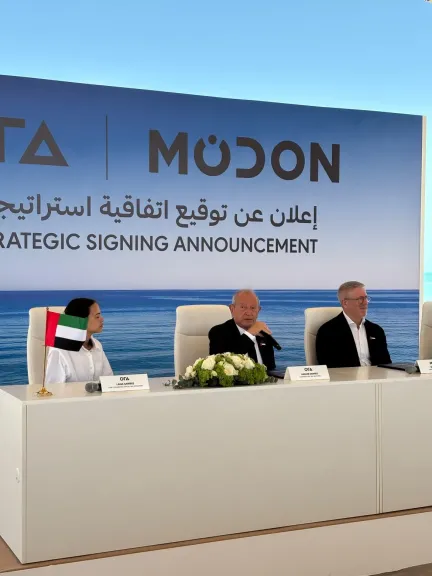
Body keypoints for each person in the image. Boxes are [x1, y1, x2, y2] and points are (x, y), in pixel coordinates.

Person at [315, 281, 391, 368]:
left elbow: (386, 364)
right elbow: (330, 368)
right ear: (345, 303)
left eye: (366, 298)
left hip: (377, 376)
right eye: (360, 299)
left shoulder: (377, 331)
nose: (365, 302)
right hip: (346, 376)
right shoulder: (327, 332)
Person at [45, 298, 113, 384]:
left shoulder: (97, 345)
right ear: (80, 320)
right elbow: (54, 389)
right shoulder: (59, 351)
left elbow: (109, 380)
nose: (102, 319)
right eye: (97, 316)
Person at [208, 289, 276, 370]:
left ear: (258, 310)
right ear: (232, 309)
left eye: (253, 308)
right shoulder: (218, 332)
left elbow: (271, 368)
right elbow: (223, 364)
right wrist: (250, 334)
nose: (249, 313)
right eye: (243, 307)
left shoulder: (262, 334)